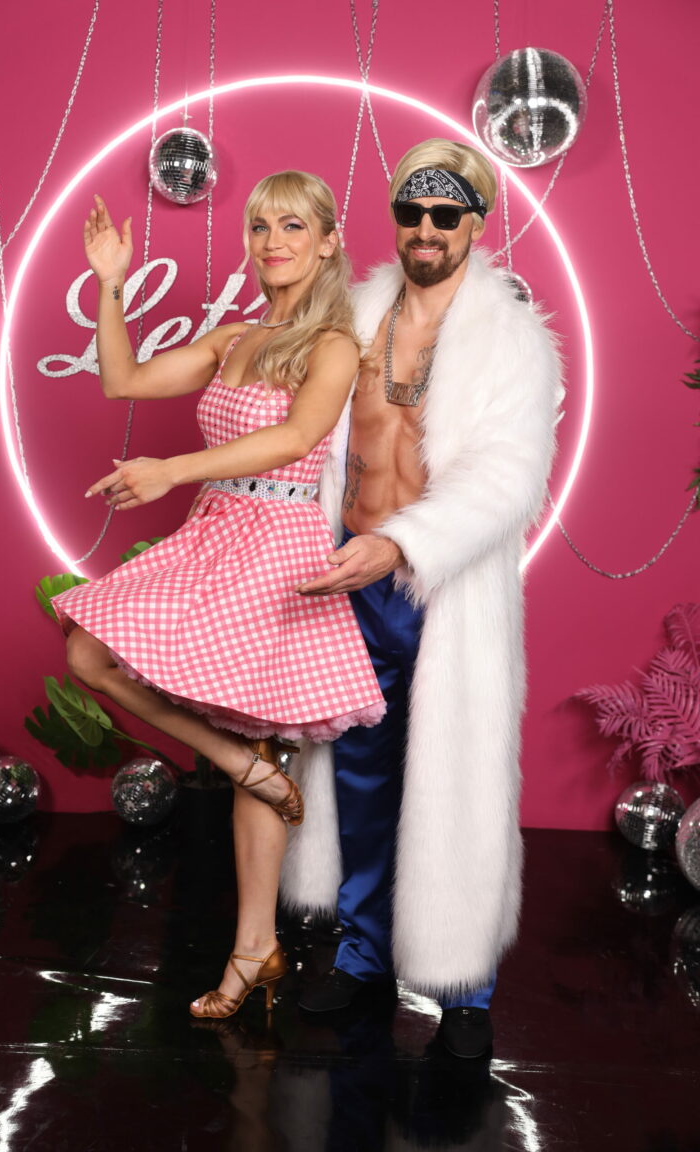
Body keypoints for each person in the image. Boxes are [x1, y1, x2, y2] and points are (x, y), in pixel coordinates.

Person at [52, 172, 385, 1019]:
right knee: (89, 650)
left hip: (274, 542)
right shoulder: (236, 336)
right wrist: (111, 283)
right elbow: (122, 381)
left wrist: (172, 470)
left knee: (256, 736)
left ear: (328, 242)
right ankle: (242, 768)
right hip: (215, 530)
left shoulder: (334, 344)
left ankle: (253, 949)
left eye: (294, 226)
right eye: (261, 226)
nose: (274, 241)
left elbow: (297, 436)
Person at [281, 140, 563, 1058]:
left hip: (441, 591)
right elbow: (301, 436)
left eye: (446, 214)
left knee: (456, 783)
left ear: (475, 223)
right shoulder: (352, 316)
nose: (427, 229)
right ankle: (363, 955)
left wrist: (402, 542)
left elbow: (509, 475)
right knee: (358, 779)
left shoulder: (510, 337)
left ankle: (463, 986)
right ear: (396, 219)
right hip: (347, 584)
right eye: (412, 212)